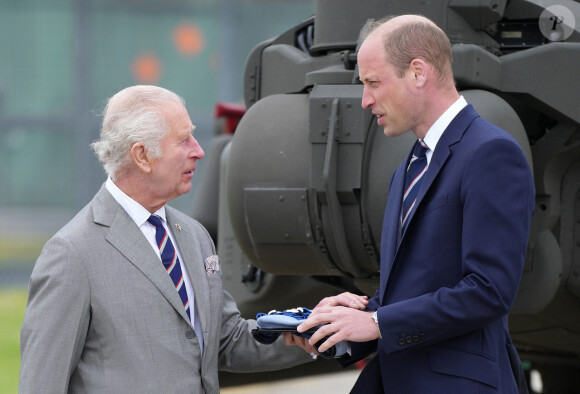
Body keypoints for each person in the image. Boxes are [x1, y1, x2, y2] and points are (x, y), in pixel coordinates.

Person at [291, 15, 534, 394]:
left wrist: (377, 323)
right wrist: (346, 322)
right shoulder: (409, 165)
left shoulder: (491, 153)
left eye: (373, 83)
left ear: (418, 73)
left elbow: (489, 290)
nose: (366, 100)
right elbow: (415, 292)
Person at [19, 85, 312, 393]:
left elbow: (224, 340)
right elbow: (41, 383)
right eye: (183, 139)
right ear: (142, 156)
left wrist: (313, 328)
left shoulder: (195, 235)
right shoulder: (71, 254)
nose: (198, 150)